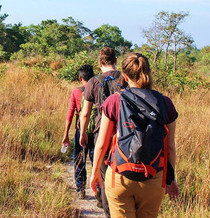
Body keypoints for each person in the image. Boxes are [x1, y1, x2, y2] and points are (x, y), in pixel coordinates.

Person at [90, 53, 180, 218]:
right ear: (149, 73)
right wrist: (170, 178)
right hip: (153, 177)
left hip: (119, 175)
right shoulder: (165, 103)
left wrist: (95, 172)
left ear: (124, 75)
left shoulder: (114, 101)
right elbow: (170, 147)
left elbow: (102, 143)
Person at [79, 47, 120, 217]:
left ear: (99, 63)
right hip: (122, 133)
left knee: (104, 177)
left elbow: (86, 113)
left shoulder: (93, 82)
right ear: (116, 61)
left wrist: (82, 133)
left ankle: (109, 213)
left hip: (101, 133)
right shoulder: (124, 78)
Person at [61, 64, 95, 200]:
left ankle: (80, 188)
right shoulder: (98, 89)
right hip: (96, 130)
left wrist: (65, 135)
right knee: (95, 159)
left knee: (79, 158)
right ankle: (98, 190)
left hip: (80, 129)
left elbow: (70, 114)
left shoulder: (76, 92)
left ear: (80, 77)